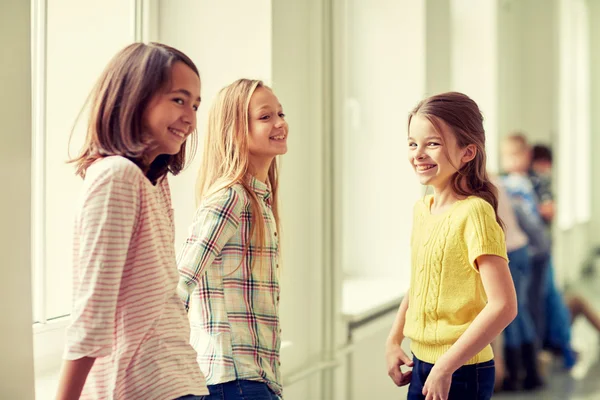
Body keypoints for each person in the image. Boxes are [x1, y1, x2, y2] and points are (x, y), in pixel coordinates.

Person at [56, 42, 208, 399]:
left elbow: (93, 313)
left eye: (196, 105)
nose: (191, 117)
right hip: (167, 383)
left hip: (155, 383)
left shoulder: (143, 181)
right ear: (134, 97)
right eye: (179, 99)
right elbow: (96, 313)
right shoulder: (121, 178)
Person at [385, 92, 517, 400]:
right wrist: (393, 341)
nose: (418, 153)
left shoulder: (476, 212)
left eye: (432, 143)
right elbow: (419, 284)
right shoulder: (423, 209)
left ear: (467, 152)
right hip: (422, 363)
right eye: (412, 143)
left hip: (461, 371)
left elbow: (504, 305)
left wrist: (446, 366)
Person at [177, 79, 288, 400]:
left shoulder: (259, 199)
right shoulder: (230, 198)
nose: (280, 123)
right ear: (236, 128)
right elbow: (181, 283)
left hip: (253, 378)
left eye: (280, 113)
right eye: (265, 117)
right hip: (232, 381)